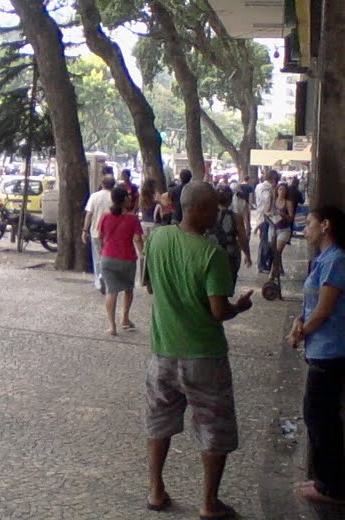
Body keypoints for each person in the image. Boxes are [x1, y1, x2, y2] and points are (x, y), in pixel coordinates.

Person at [144, 181, 254, 518]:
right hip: (204, 358)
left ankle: (156, 490)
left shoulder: (157, 238)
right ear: (200, 209)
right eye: (213, 208)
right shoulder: (211, 254)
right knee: (213, 429)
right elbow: (219, 312)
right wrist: (240, 307)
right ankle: (208, 503)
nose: (217, 213)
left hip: (162, 354)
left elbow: (149, 285)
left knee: (159, 423)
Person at [286, 206, 345, 505]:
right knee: (317, 415)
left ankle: (331, 486)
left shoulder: (337, 262)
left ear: (326, 226)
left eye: (311, 224)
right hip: (322, 348)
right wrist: (298, 322)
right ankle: (323, 479)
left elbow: (324, 309)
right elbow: (312, 305)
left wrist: (298, 333)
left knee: (321, 418)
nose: (306, 229)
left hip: (332, 350)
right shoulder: (326, 261)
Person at [98, 186, 143, 335]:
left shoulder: (105, 216)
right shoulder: (133, 219)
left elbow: (100, 235)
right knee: (128, 289)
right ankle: (125, 318)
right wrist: (143, 252)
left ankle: (112, 326)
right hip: (127, 258)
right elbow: (137, 238)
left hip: (108, 257)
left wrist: (102, 250)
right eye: (128, 197)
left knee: (111, 292)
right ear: (124, 199)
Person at [210, 186, 251, 288]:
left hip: (210, 254)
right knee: (227, 286)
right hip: (230, 255)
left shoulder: (207, 215)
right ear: (230, 199)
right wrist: (247, 255)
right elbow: (243, 239)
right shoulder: (236, 217)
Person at [82, 175, 116, 292]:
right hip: (111, 232)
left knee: (97, 256)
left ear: (102, 184)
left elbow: (89, 214)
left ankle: (99, 279)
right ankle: (107, 277)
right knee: (109, 256)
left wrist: (85, 230)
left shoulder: (94, 196)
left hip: (96, 231)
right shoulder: (114, 197)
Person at [268, 182, 296, 283]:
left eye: (284, 190)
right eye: (280, 189)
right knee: (274, 252)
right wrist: (269, 214)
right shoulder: (273, 201)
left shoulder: (288, 203)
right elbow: (267, 212)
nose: (281, 191)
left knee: (277, 251)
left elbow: (291, 218)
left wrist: (282, 214)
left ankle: (272, 273)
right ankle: (278, 268)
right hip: (273, 228)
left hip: (284, 229)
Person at [252, 170, 278, 274]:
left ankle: (263, 264)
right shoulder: (268, 188)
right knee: (265, 241)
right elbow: (267, 200)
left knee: (264, 240)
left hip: (260, 216)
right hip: (266, 218)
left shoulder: (258, 186)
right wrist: (268, 212)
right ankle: (262, 264)